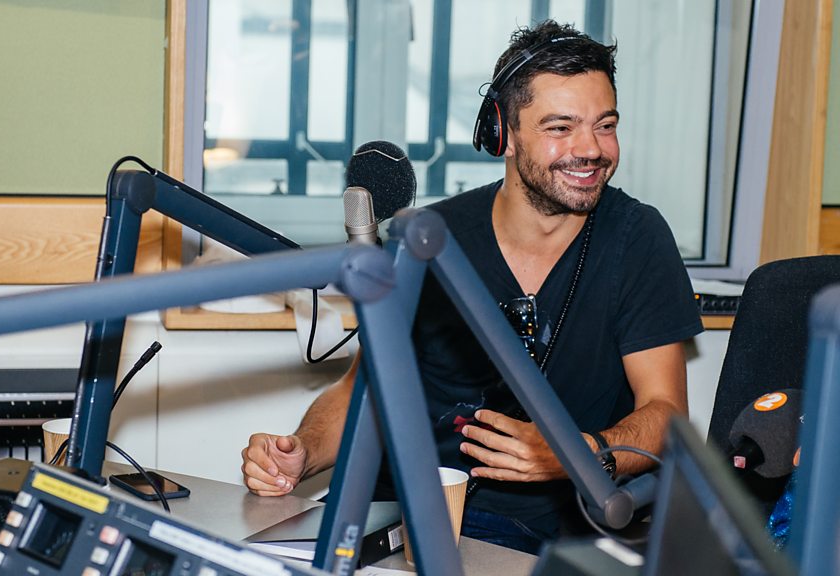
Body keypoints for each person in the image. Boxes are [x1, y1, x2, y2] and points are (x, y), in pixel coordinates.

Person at [241, 20, 703, 555]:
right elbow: (360, 393)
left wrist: (578, 453)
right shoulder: (431, 238)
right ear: (503, 134)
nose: (591, 149)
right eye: (561, 127)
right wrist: (300, 453)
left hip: (537, 533)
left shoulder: (636, 238)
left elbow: (666, 413)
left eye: (605, 125)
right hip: (395, 515)